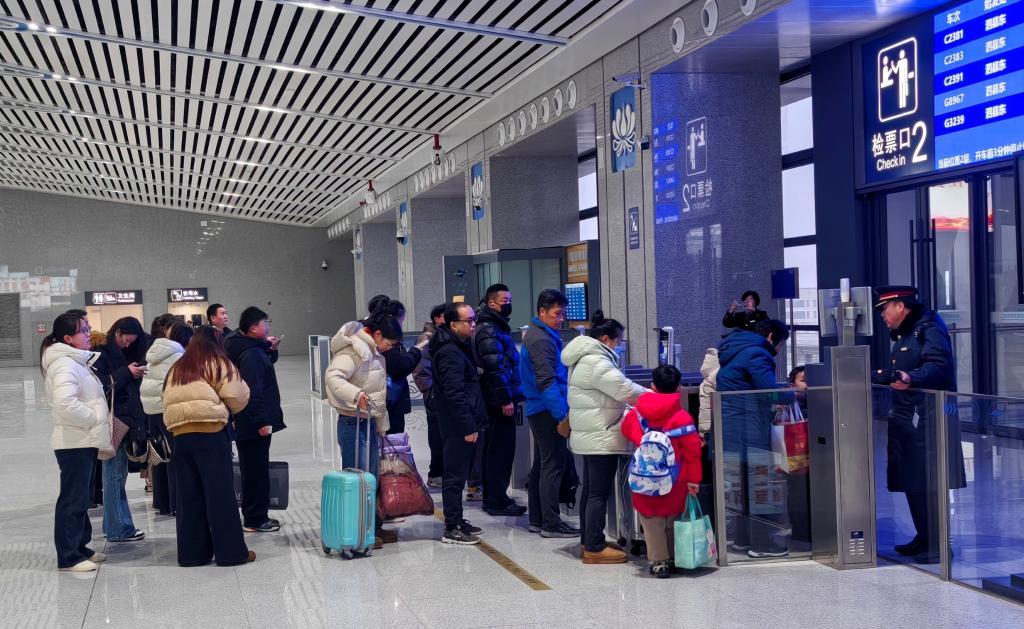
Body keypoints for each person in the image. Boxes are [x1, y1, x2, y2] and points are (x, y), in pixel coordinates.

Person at [871, 285, 965, 564]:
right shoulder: (906, 332)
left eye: (885, 309)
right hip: (909, 416)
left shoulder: (928, 328)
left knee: (930, 480)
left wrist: (911, 378)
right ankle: (924, 537)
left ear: (900, 306)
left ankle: (938, 545)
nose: (882, 315)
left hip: (929, 416)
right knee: (913, 478)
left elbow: (938, 366)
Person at [163, 325, 255, 567]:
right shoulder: (218, 362)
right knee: (220, 494)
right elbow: (238, 396)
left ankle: (192, 555)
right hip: (210, 434)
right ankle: (231, 553)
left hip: (180, 436)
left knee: (188, 497)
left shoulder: (178, 367)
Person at [563, 311, 646, 564]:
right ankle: (594, 547)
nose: (619, 346)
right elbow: (624, 389)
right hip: (601, 435)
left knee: (591, 490)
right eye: (618, 341)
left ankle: (589, 539)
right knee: (598, 493)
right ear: (607, 339)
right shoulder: (597, 361)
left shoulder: (584, 358)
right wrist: (655, 396)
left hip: (591, 434)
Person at [324, 312, 402, 548]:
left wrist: (381, 426)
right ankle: (357, 531)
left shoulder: (375, 352)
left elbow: (378, 393)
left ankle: (372, 528)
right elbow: (333, 377)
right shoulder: (353, 350)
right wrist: (355, 394)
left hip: (368, 421)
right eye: (389, 343)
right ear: (377, 334)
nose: (390, 348)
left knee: (372, 479)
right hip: (352, 423)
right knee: (358, 479)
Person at [717, 318, 791, 558]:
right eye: (779, 344)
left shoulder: (735, 349)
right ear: (770, 336)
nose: (777, 349)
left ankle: (742, 539)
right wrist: (793, 394)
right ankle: (761, 544)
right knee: (759, 483)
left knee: (742, 485)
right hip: (749, 428)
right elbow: (767, 390)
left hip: (732, 428)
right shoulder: (758, 353)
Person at [42, 312, 110, 572]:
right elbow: (65, 403)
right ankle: (69, 556)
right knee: (72, 500)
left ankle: (80, 547)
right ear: (68, 338)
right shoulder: (64, 364)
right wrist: (93, 418)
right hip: (74, 441)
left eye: (88, 328)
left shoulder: (76, 361)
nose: (89, 334)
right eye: (83, 330)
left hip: (84, 439)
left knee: (82, 499)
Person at [622, 365, 703, 577]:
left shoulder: (637, 414)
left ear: (653, 386)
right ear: (678, 388)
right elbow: (693, 452)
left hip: (645, 477)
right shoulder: (682, 417)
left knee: (651, 521)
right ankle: (675, 558)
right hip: (676, 478)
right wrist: (694, 479)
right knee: (673, 519)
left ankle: (659, 562)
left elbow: (626, 429)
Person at [520, 289, 578, 538]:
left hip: (540, 408)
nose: (561, 318)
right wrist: (562, 415)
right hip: (546, 409)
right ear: (542, 312)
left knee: (542, 465)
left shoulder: (539, 334)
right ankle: (551, 524)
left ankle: (537, 520)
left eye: (563, 314)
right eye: (557, 314)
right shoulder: (541, 340)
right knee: (552, 465)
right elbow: (546, 381)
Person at [430, 302, 488, 545]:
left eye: (474, 320)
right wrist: (467, 426)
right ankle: (452, 527)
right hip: (458, 426)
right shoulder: (449, 352)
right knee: (454, 476)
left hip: (464, 421)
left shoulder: (457, 346)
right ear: (453, 325)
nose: (473, 325)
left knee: (460, 474)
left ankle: (457, 519)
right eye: (469, 321)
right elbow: (454, 393)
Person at [224, 307, 286, 533]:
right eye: (264, 323)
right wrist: (261, 422)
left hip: (245, 420)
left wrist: (270, 351)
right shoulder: (250, 355)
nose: (268, 326)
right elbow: (253, 393)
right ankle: (255, 519)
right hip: (252, 423)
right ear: (253, 328)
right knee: (255, 471)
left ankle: (256, 515)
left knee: (253, 468)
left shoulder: (245, 346)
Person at [473, 284, 527, 516]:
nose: (509, 304)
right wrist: (505, 399)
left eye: (510, 300)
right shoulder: (489, 329)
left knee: (496, 450)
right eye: (505, 301)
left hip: (496, 399)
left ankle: (495, 497)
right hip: (497, 402)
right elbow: (495, 368)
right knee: (499, 452)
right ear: (491, 303)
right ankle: (496, 500)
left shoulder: (495, 326)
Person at [92, 316, 147, 543]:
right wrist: (127, 372)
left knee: (116, 475)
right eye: (126, 339)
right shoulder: (102, 351)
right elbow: (100, 384)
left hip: (122, 419)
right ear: (117, 332)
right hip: (114, 421)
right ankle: (117, 528)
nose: (127, 344)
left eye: (131, 341)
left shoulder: (119, 352)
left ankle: (114, 525)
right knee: (114, 475)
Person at [141, 322, 193, 515]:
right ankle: (177, 504)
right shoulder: (178, 356)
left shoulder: (156, 353)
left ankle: (162, 503)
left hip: (151, 409)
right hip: (166, 409)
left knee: (159, 456)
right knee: (174, 456)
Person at [371, 298, 422, 436]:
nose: (401, 324)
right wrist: (416, 351)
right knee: (390, 440)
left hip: (388, 399)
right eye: (401, 320)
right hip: (388, 401)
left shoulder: (386, 340)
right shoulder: (388, 342)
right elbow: (400, 367)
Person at [412, 304, 447, 488]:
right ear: (437, 318)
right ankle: (436, 474)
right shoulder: (427, 338)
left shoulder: (444, 336)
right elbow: (420, 369)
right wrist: (430, 391)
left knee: (444, 435)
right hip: (434, 394)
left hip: (443, 394)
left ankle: (442, 473)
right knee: (437, 435)